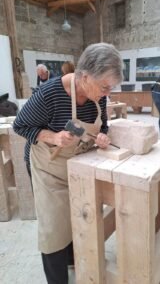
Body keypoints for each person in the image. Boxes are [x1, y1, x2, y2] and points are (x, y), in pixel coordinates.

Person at [13, 43, 123, 284]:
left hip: (77, 165)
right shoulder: (50, 94)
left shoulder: (98, 97)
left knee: (78, 214)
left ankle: (73, 259)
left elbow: (102, 124)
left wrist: (103, 135)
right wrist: (52, 136)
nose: (107, 94)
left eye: (111, 88)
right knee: (53, 227)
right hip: (47, 169)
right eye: (105, 87)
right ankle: (57, 279)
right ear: (84, 77)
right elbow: (20, 125)